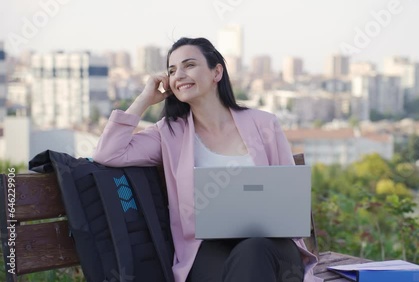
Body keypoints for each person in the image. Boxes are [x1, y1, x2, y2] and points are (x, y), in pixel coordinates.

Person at [93, 37, 319, 282]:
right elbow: (108, 152)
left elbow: (288, 198)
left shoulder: (264, 124)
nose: (178, 74)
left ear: (216, 72)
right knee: (247, 262)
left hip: (273, 248)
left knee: (254, 250)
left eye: (189, 65)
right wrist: (145, 99)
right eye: (171, 70)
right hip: (209, 251)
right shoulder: (169, 134)